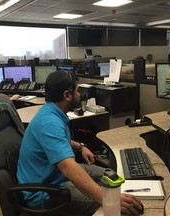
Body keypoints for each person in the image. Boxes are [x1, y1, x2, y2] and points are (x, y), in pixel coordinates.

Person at [17, 71, 144, 215]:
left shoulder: (52, 113)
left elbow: (60, 141)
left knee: (112, 175)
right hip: (44, 192)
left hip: (54, 175)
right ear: (67, 95)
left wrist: (80, 146)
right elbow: (68, 167)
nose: (80, 95)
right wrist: (107, 199)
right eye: (77, 91)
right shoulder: (49, 122)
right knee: (112, 206)